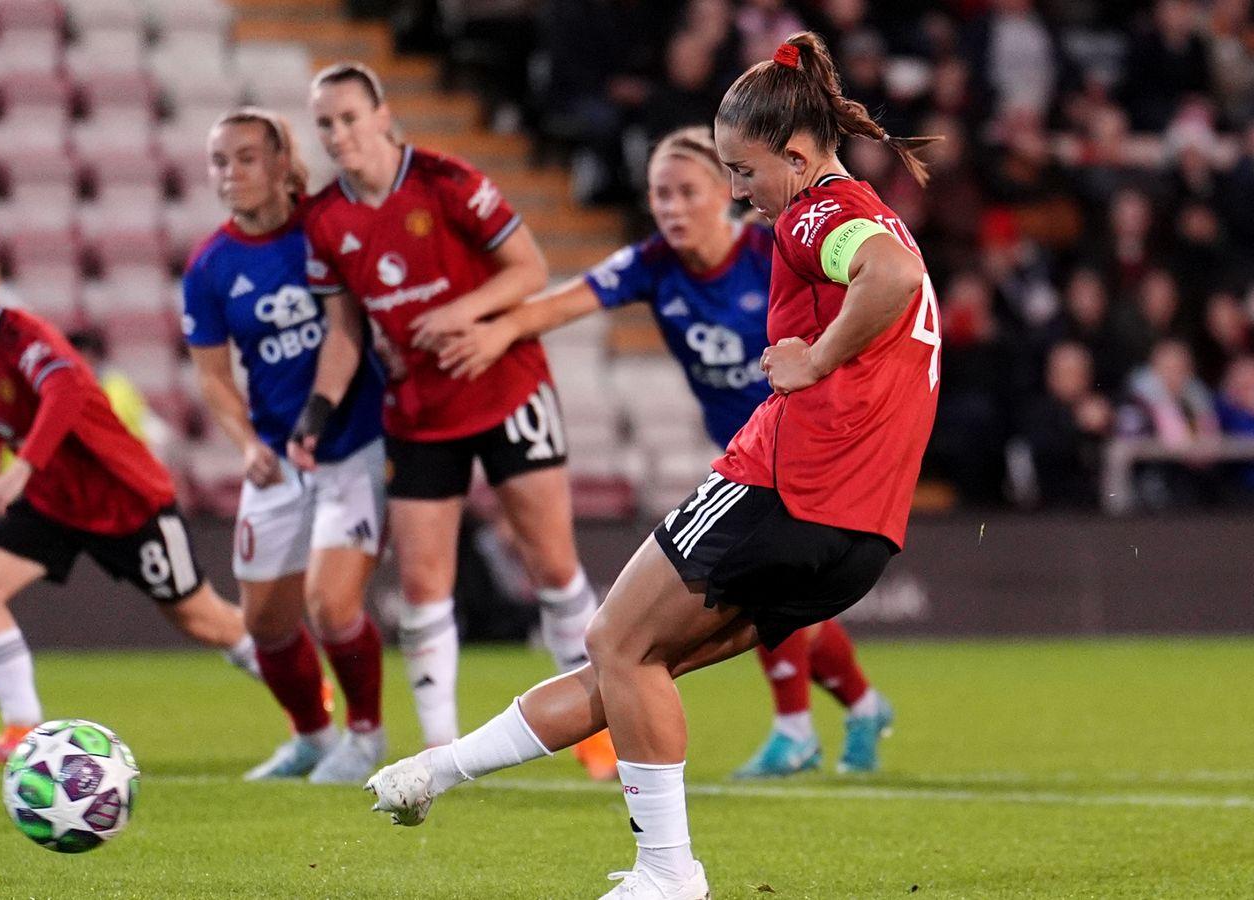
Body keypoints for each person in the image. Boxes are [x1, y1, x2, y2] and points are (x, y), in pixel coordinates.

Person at [367, 33, 941, 899]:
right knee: (630, 669)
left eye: (741, 172)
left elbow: (890, 274)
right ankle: (436, 772)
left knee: (614, 642)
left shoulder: (816, 212)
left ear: (795, 156)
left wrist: (817, 358)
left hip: (785, 481)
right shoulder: (854, 210)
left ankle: (668, 873)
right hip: (864, 529)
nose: (737, 191)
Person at [439, 124, 895, 780]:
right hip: (747, 454)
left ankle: (796, 728)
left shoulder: (773, 249)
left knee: (765, 582)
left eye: (687, 191)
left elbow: (871, 293)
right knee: (784, 598)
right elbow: (566, 303)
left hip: (810, 451)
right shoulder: (654, 264)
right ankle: (861, 705)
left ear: (725, 192)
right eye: (660, 194)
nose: (672, 208)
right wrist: (499, 329)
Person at [293, 61, 615, 777]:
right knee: (422, 583)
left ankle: (598, 729)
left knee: (552, 564)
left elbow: (530, 269)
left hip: (506, 385)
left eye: (349, 118)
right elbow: (343, 332)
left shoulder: (447, 181)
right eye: (325, 124)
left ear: (382, 117)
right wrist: (317, 411)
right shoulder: (324, 220)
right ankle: (439, 750)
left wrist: (461, 313)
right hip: (418, 409)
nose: (339, 134)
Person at [0, 231, 260, 766]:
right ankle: (20, 731)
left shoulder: (25, 338)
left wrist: (20, 472)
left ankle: (301, 684)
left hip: (123, 498)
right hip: (54, 501)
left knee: (202, 620)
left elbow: (65, 392)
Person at [184, 108, 390, 784]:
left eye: (246, 158)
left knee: (331, 604)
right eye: (219, 161)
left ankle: (366, 737)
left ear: (279, 163)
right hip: (276, 457)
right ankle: (313, 737)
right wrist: (246, 443)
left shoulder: (323, 229)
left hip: (352, 445)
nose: (230, 173)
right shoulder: (209, 266)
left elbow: (357, 325)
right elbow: (213, 377)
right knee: (265, 623)